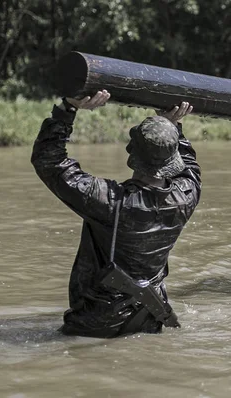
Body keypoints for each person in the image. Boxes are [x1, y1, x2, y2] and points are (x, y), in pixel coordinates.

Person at [31, 90, 201, 338]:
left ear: (132, 152)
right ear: (172, 158)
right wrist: (173, 128)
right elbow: (190, 168)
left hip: (96, 324)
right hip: (148, 318)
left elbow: (50, 161)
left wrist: (68, 108)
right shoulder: (186, 196)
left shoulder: (109, 201)